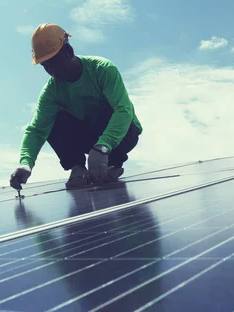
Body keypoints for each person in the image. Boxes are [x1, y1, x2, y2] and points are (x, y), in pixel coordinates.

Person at [10, 23, 143, 190]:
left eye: (54, 62)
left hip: (125, 134)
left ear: (69, 52)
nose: (52, 71)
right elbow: (36, 130)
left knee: (111, 111)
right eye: (45, 66)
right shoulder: (52, 92)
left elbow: (123, 110)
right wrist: (26, 163)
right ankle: (77, 168)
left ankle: (112, 164)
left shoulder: (101, 69)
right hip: (90, 138)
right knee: (54, 119)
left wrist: (103, 146)